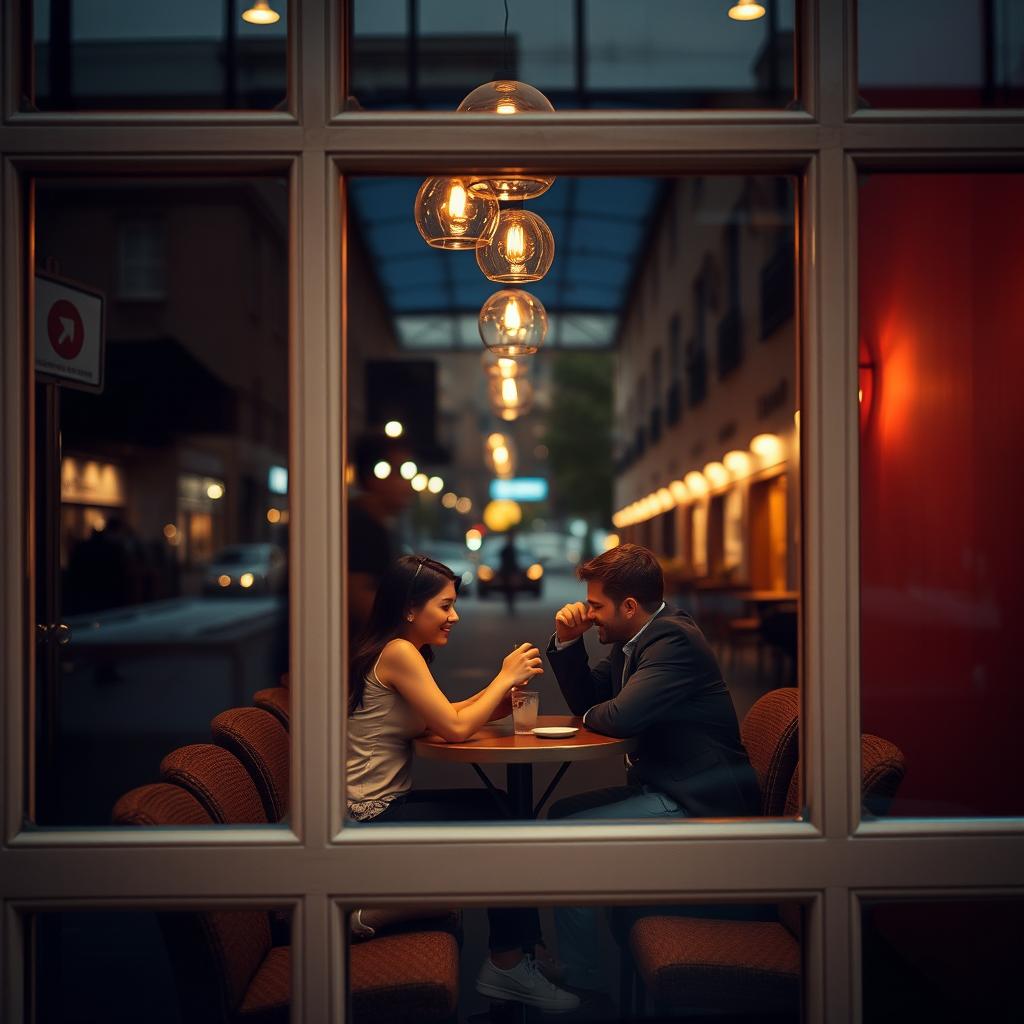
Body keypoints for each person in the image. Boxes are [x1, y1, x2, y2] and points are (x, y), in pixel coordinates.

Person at [346, 554, 580, 1013]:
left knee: (502, 810)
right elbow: (453, 729)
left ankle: (517, 953)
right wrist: (503, 678)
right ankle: (510, 961)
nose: (455, 616)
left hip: (370, 811)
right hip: (367, 820)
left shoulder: (395, 650)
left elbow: (445, 715)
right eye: (445, 605)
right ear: (410, 607)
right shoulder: (398, 652)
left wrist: (492, 703)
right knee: (504, 821)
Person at [545, 542, 760, 993]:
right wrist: (568, 643)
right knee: (560, 816)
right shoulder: (635, 638)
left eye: (595, 606)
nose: (589, 614)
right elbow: (593, 700)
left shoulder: (672, 640)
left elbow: (619, 716)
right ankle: (581, 965)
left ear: (628, 605)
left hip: (699, 801)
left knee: (566, 839)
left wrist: (590, 715)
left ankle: (581, 982)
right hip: (667, 785)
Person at [347, 434, 414, 636]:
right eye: (401, 472)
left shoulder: (373, 524)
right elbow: (358, 599)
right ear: (375, 475)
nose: (408, 485)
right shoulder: (362, 525)